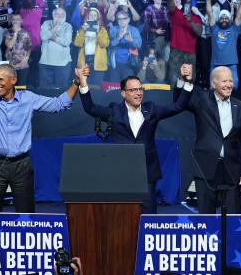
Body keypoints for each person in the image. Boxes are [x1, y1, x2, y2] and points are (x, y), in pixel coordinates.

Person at [0, 33, 82, 213]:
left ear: (13, 80)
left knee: (25, 212)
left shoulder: (29, 99)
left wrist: (76, 82)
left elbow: (59, 104)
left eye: (0, 80)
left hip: (22, 165)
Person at [79, 64, 194, 213]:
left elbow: (178, 106)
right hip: (120, 172)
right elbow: (91, 108)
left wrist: (188, 82)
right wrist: (83, 81)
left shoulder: (152, 109)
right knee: (121, 215)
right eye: (133, 90)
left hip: (146, 173)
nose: (138, 93)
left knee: (148, 216)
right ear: (123, 93)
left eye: (140, 89)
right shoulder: (114, 111)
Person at [174, 65, 241, 214]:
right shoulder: (201, 99)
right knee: (206, 219)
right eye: (224, 81)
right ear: (213, 84)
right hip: (206, 168)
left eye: (230, 81)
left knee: (233, 218)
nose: (229, 85)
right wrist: (182, 80)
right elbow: (179, 101)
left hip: (232, 170)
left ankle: (230, 239)